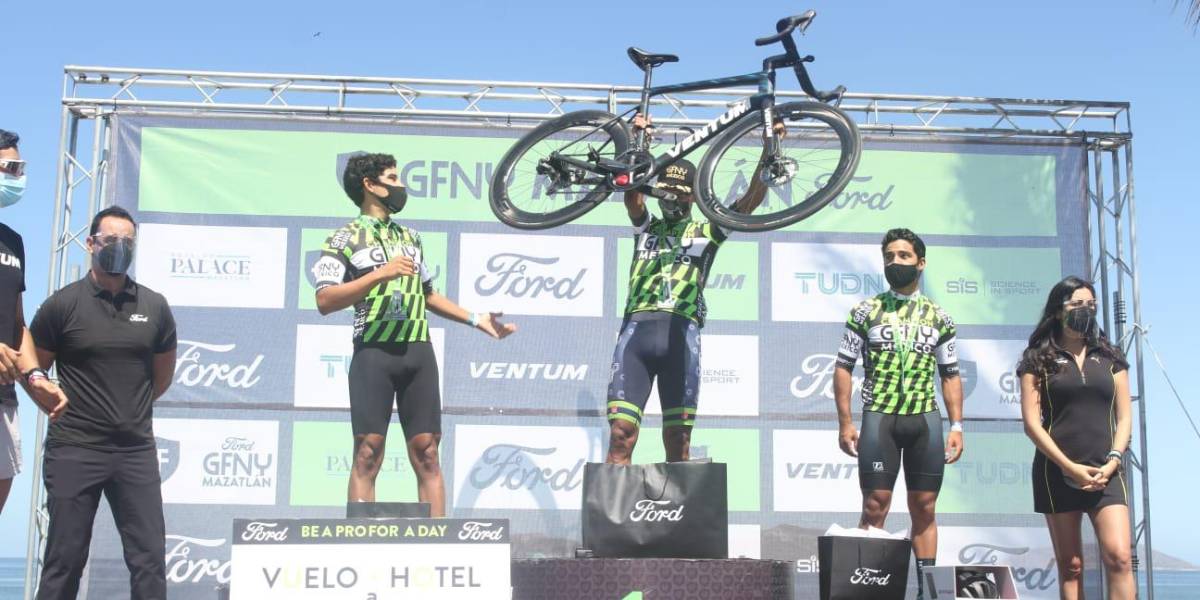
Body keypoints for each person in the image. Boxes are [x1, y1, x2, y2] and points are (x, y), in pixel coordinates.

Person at [313, 152, 516, 516]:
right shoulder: (343, 238)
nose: (400, 185)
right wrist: (380, 274)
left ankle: (437, 539)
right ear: (369, 185)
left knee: (428, 451)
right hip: (373, 351)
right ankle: (358, 538)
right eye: (393, 178)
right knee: (368, 451)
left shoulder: (411, 237)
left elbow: (428, 295)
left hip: (418, 351)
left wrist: (476, 318)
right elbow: (325, 300)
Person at [604, 115, 778, 464]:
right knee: (621, 434)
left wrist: (769, 148)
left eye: (680, 192)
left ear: (693, 197)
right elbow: (632, 197)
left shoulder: (707, 231)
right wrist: (641, 141)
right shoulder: (646, 227)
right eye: (665, 190)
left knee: (678, 439)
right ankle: (614, 502)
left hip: (682, 336)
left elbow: (749, 202)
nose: (671, 198)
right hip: (636, 333)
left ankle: (674, 501)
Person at [30, 206, 177, 599]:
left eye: (128, 241)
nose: (119, 247)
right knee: (65, 560)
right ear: (90, 243)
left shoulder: (155, 307)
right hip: (75, 449)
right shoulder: (62, 305)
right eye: (111, 239)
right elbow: (34, 371)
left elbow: (161, 377)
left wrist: (127, 409)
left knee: (149, 561)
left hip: (135, 451)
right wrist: (49, 397)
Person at [833, 228, 964, 600]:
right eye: (889, 256)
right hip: (880, 417)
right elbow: (843, 367)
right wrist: (845, 422)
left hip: (924, 420)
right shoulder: (866, 311)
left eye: (903, 256)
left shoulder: (940, 317)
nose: (895, 262)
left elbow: (950, 374)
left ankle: (926, 593)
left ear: (921, 263)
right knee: (875, 504)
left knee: (924, 507)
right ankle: (866, 593)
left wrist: (957, 425)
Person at [1018, 276, 1133, 600]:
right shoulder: (1037, 359)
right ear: (1058, 310)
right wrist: (1069, 467)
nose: (1085, 310)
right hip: (1057, 472)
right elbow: (1032, 424)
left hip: (1107, 471)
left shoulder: (1111, 357)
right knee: (1071, 566)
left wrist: (1113, 461)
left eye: (1091, 305)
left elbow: (1125, 418)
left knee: (1120, 558)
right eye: (1077, 304)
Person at [0, 128, 69, 513]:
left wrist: (36, 379)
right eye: (11, 168)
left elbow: (17, 324)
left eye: (21, 168)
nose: (19, 177)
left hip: (3, 400)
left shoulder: (12, 241)